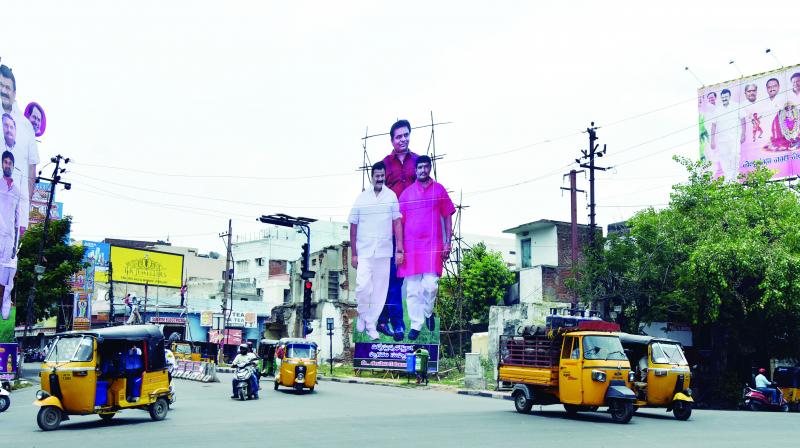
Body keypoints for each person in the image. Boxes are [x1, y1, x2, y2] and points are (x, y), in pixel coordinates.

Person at [397, 155, 456, 340]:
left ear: (430, 168)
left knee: (430, 286)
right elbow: (399, 222)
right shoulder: (406, 194)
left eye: (425, 167)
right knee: (412, 289)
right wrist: (399, 248)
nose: (422, 170)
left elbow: (447, 216)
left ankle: (428, 313)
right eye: (419, 167)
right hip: (411, 247)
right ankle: (415, 324)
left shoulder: (439, 190)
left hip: (433, 245)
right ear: (415, 170)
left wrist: (448, 242)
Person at [349, 161, 404, 340]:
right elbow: (353, 225)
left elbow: (397, 223)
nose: (379, 179)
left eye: (382, 176)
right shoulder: (361, 198)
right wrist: (354, 253)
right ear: (371, 177)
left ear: (385, 176)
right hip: (364, 251)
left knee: (380, 291)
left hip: (384, 251)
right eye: (376, 176)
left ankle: (371, 325)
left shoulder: (391, 197)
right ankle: (362, 314)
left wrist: (400, 249)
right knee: (363, 287)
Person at [376, 120, 419, 341]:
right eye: (398, 136)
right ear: (392, 140)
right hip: (392, 228)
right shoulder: (385, 164)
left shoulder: (418, 162)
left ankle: (386, 320)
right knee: (393, 276)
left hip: (415, 228)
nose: (402, 139)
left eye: (405, 135)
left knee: (411, 277)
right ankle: (397, 323)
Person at [0, 65, 39, 234]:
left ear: (14, 93)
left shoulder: (25, 126)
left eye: (7, 87)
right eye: (0, 85)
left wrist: (24, 215)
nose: (3, 90)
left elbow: (32, 171)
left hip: (11, 217)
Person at [0, 151, 21, 320]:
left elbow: (18, 218)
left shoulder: (17, 191)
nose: (7, 165)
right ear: (2, 164)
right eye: (5, 162)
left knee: (9, 272)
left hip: (10, 239)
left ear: (13, 166)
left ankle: (6, 300)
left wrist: (16, 244)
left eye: (10, 163)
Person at [709, 88, 742, 180]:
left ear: (729, 96)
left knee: (735, 155)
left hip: (734, 138)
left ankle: (735, 178)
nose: (724, 99)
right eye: (723, 97)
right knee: (724, 158)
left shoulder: (736, 106)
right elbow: (713, 125)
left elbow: (743, 120)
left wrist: (743, 134)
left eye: (726, 97)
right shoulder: (717, 110)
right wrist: (712, 140)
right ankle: (728, 179)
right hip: (722, 140)